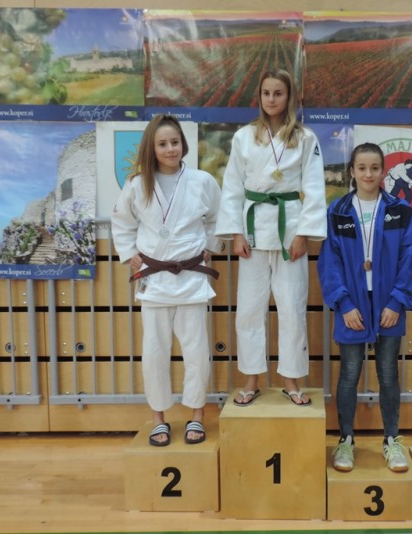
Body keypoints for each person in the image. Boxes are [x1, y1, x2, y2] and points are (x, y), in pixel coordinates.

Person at [216, 69, 326, 407]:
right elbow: (232, 187)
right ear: (260, 96)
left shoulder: (305, 138)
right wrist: (236, 232)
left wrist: (304, 234)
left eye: (278, 93)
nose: (271, 99)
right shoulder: (244, 137)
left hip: (289, 229)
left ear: (289, 97)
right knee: (249, 310)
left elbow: (315, 188)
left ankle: (292, 379)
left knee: (292, 308)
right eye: (266, 93)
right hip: (252, 231)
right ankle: (251, 378)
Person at [111, 114, 221, 447]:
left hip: (191, 276)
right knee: (154, 352)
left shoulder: (202, 181)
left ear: (183, 144)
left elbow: (216, 218)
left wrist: (210, 246)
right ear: (152, 148)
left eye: (175, 142)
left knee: (196, 351)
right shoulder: (137, 184)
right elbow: (122, 222)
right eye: (162, 144)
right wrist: (129, 252)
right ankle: (158, 417)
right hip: (155, 278)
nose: (170, 149)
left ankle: (196, 414)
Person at [317, 142, 412, 472]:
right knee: (349, 374)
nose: (368, 174)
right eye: (361, 168)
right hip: (352, 306)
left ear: (383, 171)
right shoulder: (337, 212)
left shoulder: (400, 212)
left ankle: (392, 440)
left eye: (375, 168)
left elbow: (408, 260)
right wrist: (344, 304)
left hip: (388, 304)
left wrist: (397, 302)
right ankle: (345, 440)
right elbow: (329, 262)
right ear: (352, 171)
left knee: (388, 374)